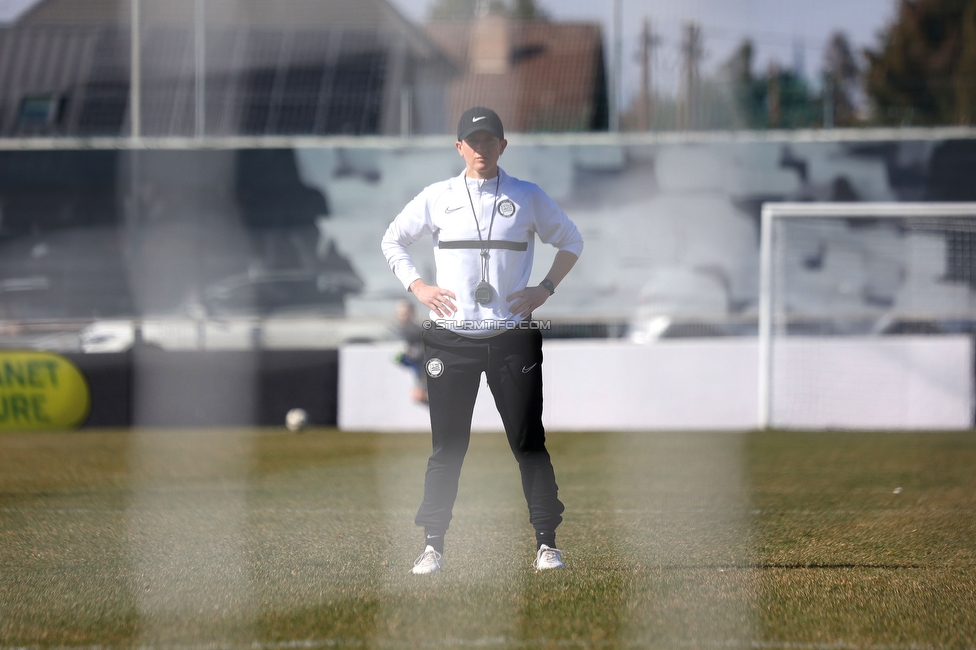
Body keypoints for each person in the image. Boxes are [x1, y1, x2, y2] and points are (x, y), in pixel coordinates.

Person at [381, 107, 583, 575]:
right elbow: (393, 240)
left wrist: (544, 289)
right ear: (459, 148)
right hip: (451, 341)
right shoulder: (437, 197)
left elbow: (571, 241)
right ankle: (433, 546)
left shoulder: (528, 196)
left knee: (528, 443)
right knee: (447, 447)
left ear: (503, 146)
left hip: (513, 338)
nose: (481, 148)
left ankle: (547, 545)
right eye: (472, 141)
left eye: (490, 139)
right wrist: (420, 288)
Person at [393, 298, 428, 404]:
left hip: (423, 367)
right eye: (399, 313)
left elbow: (420, 350)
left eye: (404, 313)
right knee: (418, 396)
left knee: (419, 396)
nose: (402, 317)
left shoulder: (417, 330)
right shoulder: (402, 329)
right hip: (418, 367)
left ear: (412, 313)